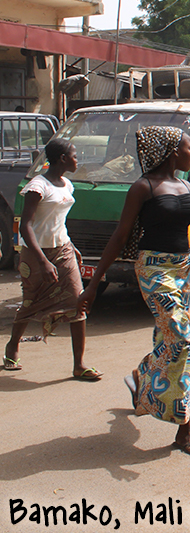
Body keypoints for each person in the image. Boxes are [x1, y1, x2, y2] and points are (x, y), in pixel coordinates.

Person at [77, 126, 190, 457]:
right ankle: (185, 427)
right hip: (154, 269)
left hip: (183, 269)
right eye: (189, 149)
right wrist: (93, 283)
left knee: (170, 339)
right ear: (173, 152)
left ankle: (141, 378)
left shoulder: (185, 185)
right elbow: (119, 236)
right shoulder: (143, 188)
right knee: (181, 340)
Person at [4, 139, 100, 380]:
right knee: (30, 302)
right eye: (75, 155)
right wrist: (43, 261)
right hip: (36, 254)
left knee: (78, 302)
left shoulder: (67, 185)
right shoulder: (37, 186)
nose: (78, 160)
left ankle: (79, 364)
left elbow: (58, 222)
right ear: (62, 159)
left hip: (63, 250)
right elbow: (25, 227)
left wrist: (72, 246)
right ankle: (12, 346)